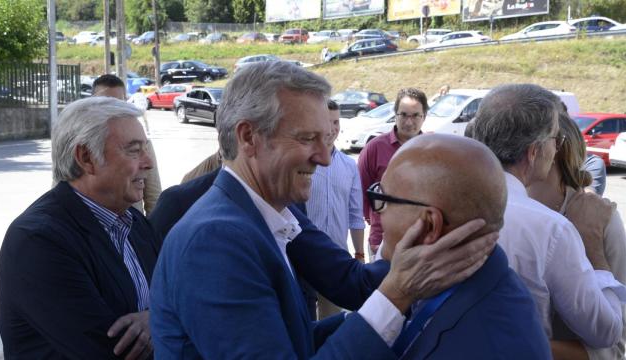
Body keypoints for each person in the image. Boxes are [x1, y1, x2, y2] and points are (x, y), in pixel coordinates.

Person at [150, 61, 497, 358]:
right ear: (248, 137)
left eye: (326, 139)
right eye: (306, 139)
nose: (325, 157)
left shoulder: (266, 214)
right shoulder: (215, 240)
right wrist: (396, 295)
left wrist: (398, 292)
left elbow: (291, 341)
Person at [0, 97, 159, 359]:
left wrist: (156, 317)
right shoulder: (38, 241)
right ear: (86, 158)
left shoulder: (134, 223)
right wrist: (166, 321)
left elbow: (182, 299)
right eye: (133, 150)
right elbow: (111, 351)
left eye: (146, 148)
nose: (149, 162)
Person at [470, 83, 626, 349]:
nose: (556, 149)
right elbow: (606, 332)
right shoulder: (551, 229)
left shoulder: (439, 202)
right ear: (534, 152)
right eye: (555, 138)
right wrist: (595, 253)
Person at [375, 133, 550, 359]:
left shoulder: (490, 341)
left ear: (430, 225)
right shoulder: (441, 282)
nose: (378, 213)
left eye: (384, 200)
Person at [528, 112, 626, 360]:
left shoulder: (601, 217)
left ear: (555, 149)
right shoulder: (502, 208)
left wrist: (518, 342)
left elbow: (613, 347)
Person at [306, 99, 365, 319]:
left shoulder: (350, 166)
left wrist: (359, 254)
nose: (332, 129)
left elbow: (355, 214)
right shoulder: (303, 163)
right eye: (327, 122)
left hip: (335, 260)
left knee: (331, 321)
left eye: (337, 122)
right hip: (303, 258)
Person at [358, 87, 428, 256]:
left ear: (424, 116)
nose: (409, 122)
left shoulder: (431, 150)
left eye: (415, 115)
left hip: (420, 243)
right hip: (382, 243)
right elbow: (360, 191)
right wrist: (376, 220)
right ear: (395, 114)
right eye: (403, 115)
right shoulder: (375, 147)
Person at [92, 74, 162, 216]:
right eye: (105, 103)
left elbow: (154, 198)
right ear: (92, 103)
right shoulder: (78, 147)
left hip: (132, 231)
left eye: (118, 103)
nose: (113, 110)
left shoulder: (143, 144)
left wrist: (150, 234)